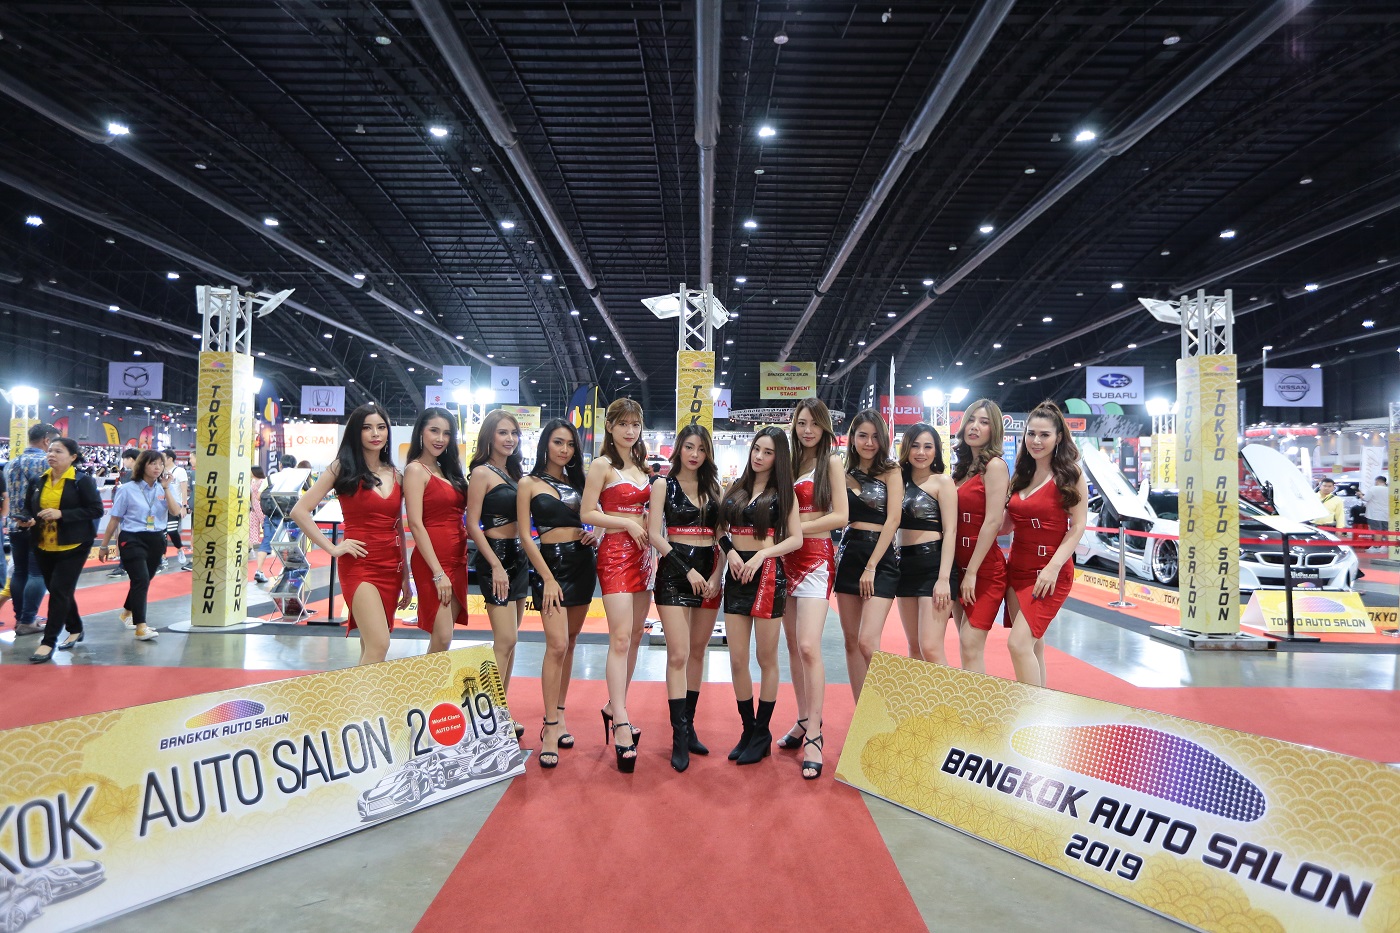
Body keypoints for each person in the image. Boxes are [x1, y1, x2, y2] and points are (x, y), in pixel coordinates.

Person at [290, 403, 410, 666]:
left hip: (391, 565)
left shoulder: (396, 474)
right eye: (367, 428)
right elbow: (299, 511)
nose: (375, 433)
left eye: (381, 427)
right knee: (379, 644)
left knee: (370, 644)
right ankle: (364, 694)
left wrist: (405, 575)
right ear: (356, 432)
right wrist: (332, 548)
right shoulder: (340, 468)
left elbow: (398, 527)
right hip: (360, 564)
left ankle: (366, 693)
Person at [717, 427, 803, 767]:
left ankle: (763, 732)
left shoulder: (784, 493)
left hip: (767, 576)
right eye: (756, 449)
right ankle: (748, 730)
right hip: (736, 576)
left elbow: (795, 538)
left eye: (767, 452)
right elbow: (720, 529)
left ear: (778, 457)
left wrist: (762, 555)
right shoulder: (735, 488)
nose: (759, 456)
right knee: (737, 659)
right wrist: (731, 553)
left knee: (766, 658)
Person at [580, 398, 655, 773]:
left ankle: (615, 706)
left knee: (637, 636)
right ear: (609, 426)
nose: (630, 430)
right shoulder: (602, 465)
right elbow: (587, 511)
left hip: (645, 556)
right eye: (623, 423)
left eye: (635, 424)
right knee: (621, 638)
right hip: (615, 556)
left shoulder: (642, 466)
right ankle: (622, 721)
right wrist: (624, 522)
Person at [517, 419, 597, 770]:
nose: (564, 450)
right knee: (557, 645)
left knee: (572, 642)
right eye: (558, 442)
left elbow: (596, 516)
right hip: (548, 566)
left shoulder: (580, 482)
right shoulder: (528, 483)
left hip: (582, 564)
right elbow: (525, 536)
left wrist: (594, 535)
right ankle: (549, 727)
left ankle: (560, 714)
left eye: (570, 444)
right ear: (545, 445)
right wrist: (547, 577)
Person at [647, 424, 724, 772]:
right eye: (690, 447)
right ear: (679, 448)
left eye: (702, 449)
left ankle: (690, 727)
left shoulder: (713, 487)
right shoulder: (663, 485)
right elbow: (654, 535)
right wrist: (687, 570)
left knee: (697, 652)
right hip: (675, 575)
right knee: (678, 654)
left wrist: (717, 575)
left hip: (709, 575)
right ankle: (678, 736)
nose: (695, 454)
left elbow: (721, 535)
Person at [777, 398, 847, 779]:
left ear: (824, 428)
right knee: (791, 645)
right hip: (784, 559)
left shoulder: (831, 462)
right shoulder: (788, 463)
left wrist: (798, 529)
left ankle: (816, 734)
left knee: (808, 645)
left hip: (816, 558)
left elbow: (841, 516)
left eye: (814, 424)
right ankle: (803, 718)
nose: (807, 430)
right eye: (802, 423)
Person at [1005, 401, 1088, 687]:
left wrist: (1053, 568)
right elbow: (1006, 524)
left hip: (1049, 572)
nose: (1036, 441)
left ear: (1058, 437)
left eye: (1044, 435)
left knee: (1018, 644)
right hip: (1017, 568)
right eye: (1031, 434)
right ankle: (1041, 706)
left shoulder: (1070, 475)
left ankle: (1030, 709)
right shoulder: (1021, 474)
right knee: (1034, 645)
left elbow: (1078, 526)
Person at [465, 410, 530, 740]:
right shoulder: (481, 473)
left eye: (514, 433)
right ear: (489, 435)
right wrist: (495, 564)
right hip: (496, 557)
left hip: (519, 556)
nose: (510, 439)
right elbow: (472, 524)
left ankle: (500, 713)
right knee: (504, 640)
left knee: (511, 642)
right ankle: (487, 717)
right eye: (503, 432)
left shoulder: (514, 473)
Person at [834, 409, 903, 701]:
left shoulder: (892, 471)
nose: (869, 442)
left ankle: (885, 710)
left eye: (875, 436)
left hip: (881, 558)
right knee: (851, 642)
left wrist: (872, 565)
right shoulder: (841, 473)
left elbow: (893, 519)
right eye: (863, 436)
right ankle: (861, 714)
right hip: (849, 552)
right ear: (852, 438)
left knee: (867, 641)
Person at [22, 439, 103, 663]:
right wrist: (27, 519)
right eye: (50, 450)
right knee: (60, 590)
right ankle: (75, 628)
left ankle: (48, 642)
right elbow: (29, 507)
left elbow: (96, 510)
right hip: (43, 544)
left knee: (59, 590)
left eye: (58, 451)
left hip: (74, 545)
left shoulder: (82, 481)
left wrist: (62, 514)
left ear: (73, 457)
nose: (52, 454)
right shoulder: (39, 480)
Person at [404, 407, 470, 653]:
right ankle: (427, 680)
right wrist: (437, 573)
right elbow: (415, 524)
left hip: (458, 558)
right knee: (442, 636)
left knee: (444, 638)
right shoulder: (415, 470)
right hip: (433, 562)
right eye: (434, 431)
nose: (440, 439)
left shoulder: (448, 470)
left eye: (447, 433)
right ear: (421, 432)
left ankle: (432, 679)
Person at [97, 449, 180, 643]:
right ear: (142, 465)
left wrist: (167, 488)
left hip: (157, 539)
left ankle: (127, 611)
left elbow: (175, 511)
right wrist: (104, 545)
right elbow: (115, 519)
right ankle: (141, 626)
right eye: (153, 463)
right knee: (141, 579)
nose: (157, 467)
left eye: (160, 464)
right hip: (132, 538)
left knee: (143, 580)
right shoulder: (127, 489)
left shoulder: (165, 488)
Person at [953, 400, 1011, 675]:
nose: (975, 426)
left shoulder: (995, 467)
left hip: (984, 571)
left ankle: (976, 703)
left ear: (994, 429)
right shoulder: (962, 469)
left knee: (970, 644)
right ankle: (970, 701)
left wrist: (972, 572)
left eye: (984, 422)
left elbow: (993, 522)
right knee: (965, 645)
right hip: (958, 567)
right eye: (971, 419)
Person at [895, 422, 959, 665]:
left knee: (930, 647)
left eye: (928, 447)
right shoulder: (897, 481)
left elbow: (950, 531)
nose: (921, 452)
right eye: (915, 446)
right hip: (904, 567)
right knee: (914, 647)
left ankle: (945, 693)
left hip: (934, 567)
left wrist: (943, 579)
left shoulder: (942, 482)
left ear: (936, 451)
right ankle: (920, 693)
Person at [5, 423, 60, 635]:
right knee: (37, 573)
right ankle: (28, 620)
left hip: (15, 525)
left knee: (19, 572)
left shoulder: (11, 463)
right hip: (39, 525)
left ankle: (21, 618)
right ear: (47, 440)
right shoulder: (46, 462)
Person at [162, 451, 191, 570]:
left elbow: (184, 490)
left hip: (175, 505)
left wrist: (184, 506)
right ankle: (163, 557)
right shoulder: (160, 471)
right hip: (161, 505)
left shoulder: (180, 471)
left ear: (170, 459)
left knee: (172, 530)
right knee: (162, 533)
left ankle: (179, 549)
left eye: (163, 457)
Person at [249, 465, 271, 582]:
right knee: (252, 526)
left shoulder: (263, 481)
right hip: (254, 505)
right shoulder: (252, 481)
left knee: (264, 524)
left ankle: (265, 544)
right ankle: (252, 545)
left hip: (261, 506)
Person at [1366, 475, 1390, 552]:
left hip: (1375, 514)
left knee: (1377, 530)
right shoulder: (1390, 489)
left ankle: (1376, 547)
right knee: (1386, 530)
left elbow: (1366, 498)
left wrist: (1360, 495)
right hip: (1387, 514)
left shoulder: (1373, 488)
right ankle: (1389, 546)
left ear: (1377, 481)